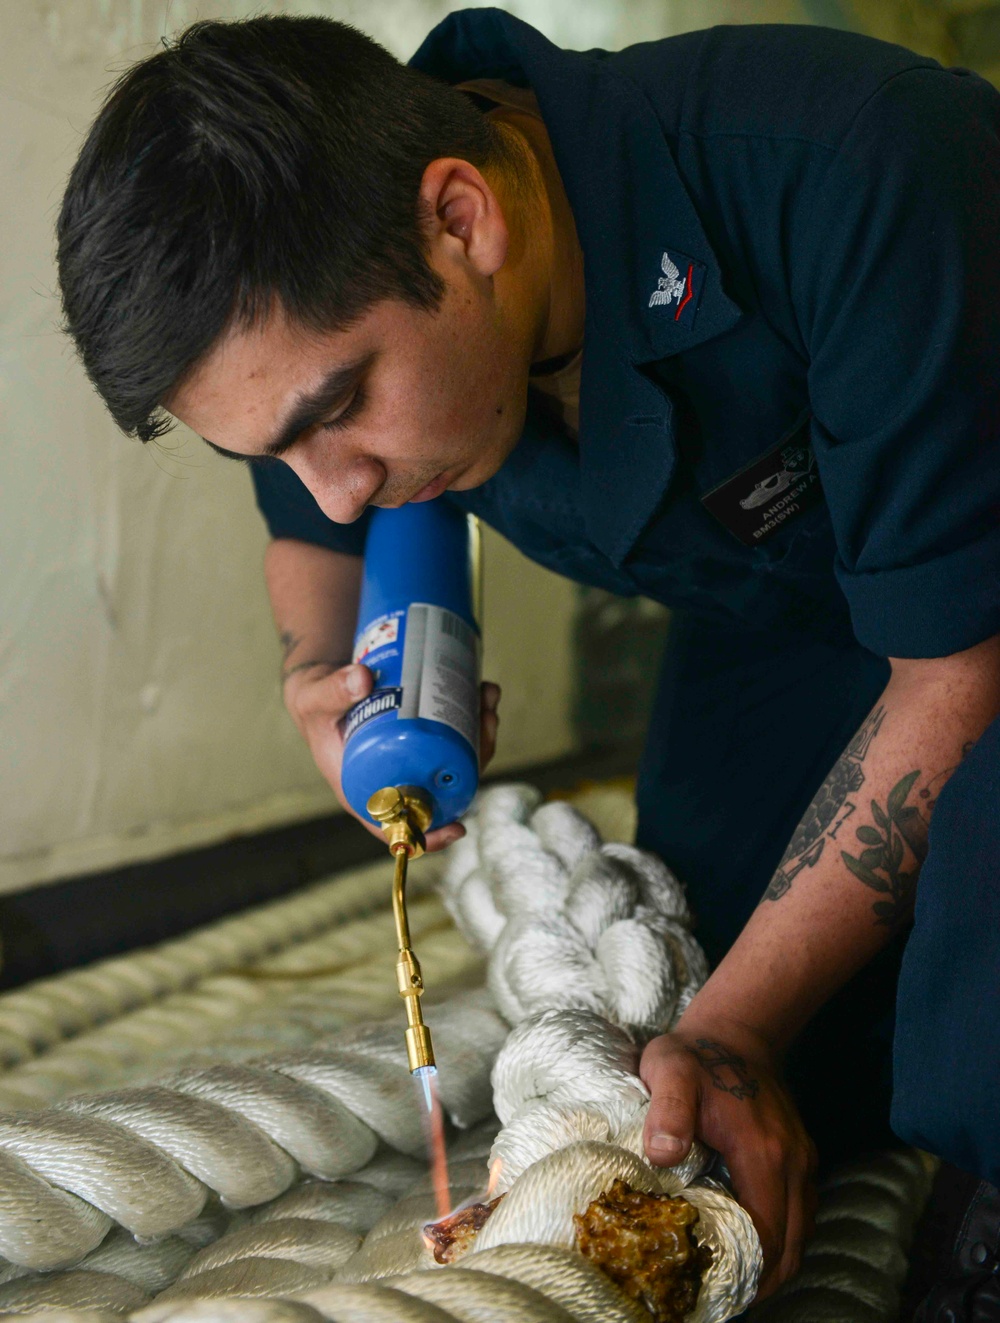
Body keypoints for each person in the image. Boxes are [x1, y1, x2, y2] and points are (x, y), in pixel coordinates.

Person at [56, 11, 1000, 1314]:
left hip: (976, 600)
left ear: (463, 219)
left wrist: (737, 1030)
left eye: (336, 413)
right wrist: (315, 676)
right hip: (785, 610)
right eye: (271, 451)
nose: (335, 496)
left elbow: (958, 670)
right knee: (745, 1036)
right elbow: (313, 533)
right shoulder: (346, 353)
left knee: (965, 1014)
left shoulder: (854, 162)